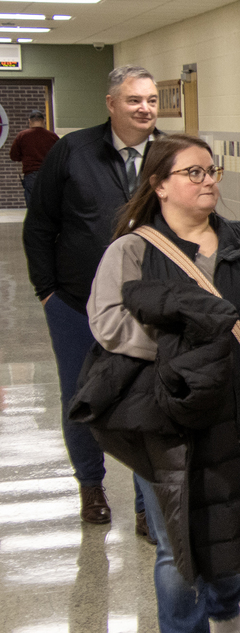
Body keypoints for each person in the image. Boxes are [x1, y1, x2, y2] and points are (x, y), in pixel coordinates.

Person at [82, 134, 240, 633]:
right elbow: (107, 322)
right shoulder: (132, 251)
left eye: (211, 171)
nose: (208, 181)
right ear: (159, 185)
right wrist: (182, 354)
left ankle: (224, 604)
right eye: (193, 173)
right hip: (166, 420)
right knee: (177, 547)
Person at [23, 65, 162, 528]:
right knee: (80, 396)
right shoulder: (73, 150)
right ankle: (91, 485)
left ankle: (147, 503)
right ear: (111, 103)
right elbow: (40, 225)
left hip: (147, 304)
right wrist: (47, 293)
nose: (145, 108)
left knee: (147, 397)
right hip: (75, 302)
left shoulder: (169, 154)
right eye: (134, 100)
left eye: (152, 100)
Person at [9, 108, 58, 207]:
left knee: (32, 206)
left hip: (31, 175)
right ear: (43, 121)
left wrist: (25, 157)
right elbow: (60, 155)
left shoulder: (22, 136)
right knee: (48, 204)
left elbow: (14, 156)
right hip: (48, 175)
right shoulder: (52, 136)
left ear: (30, 121)